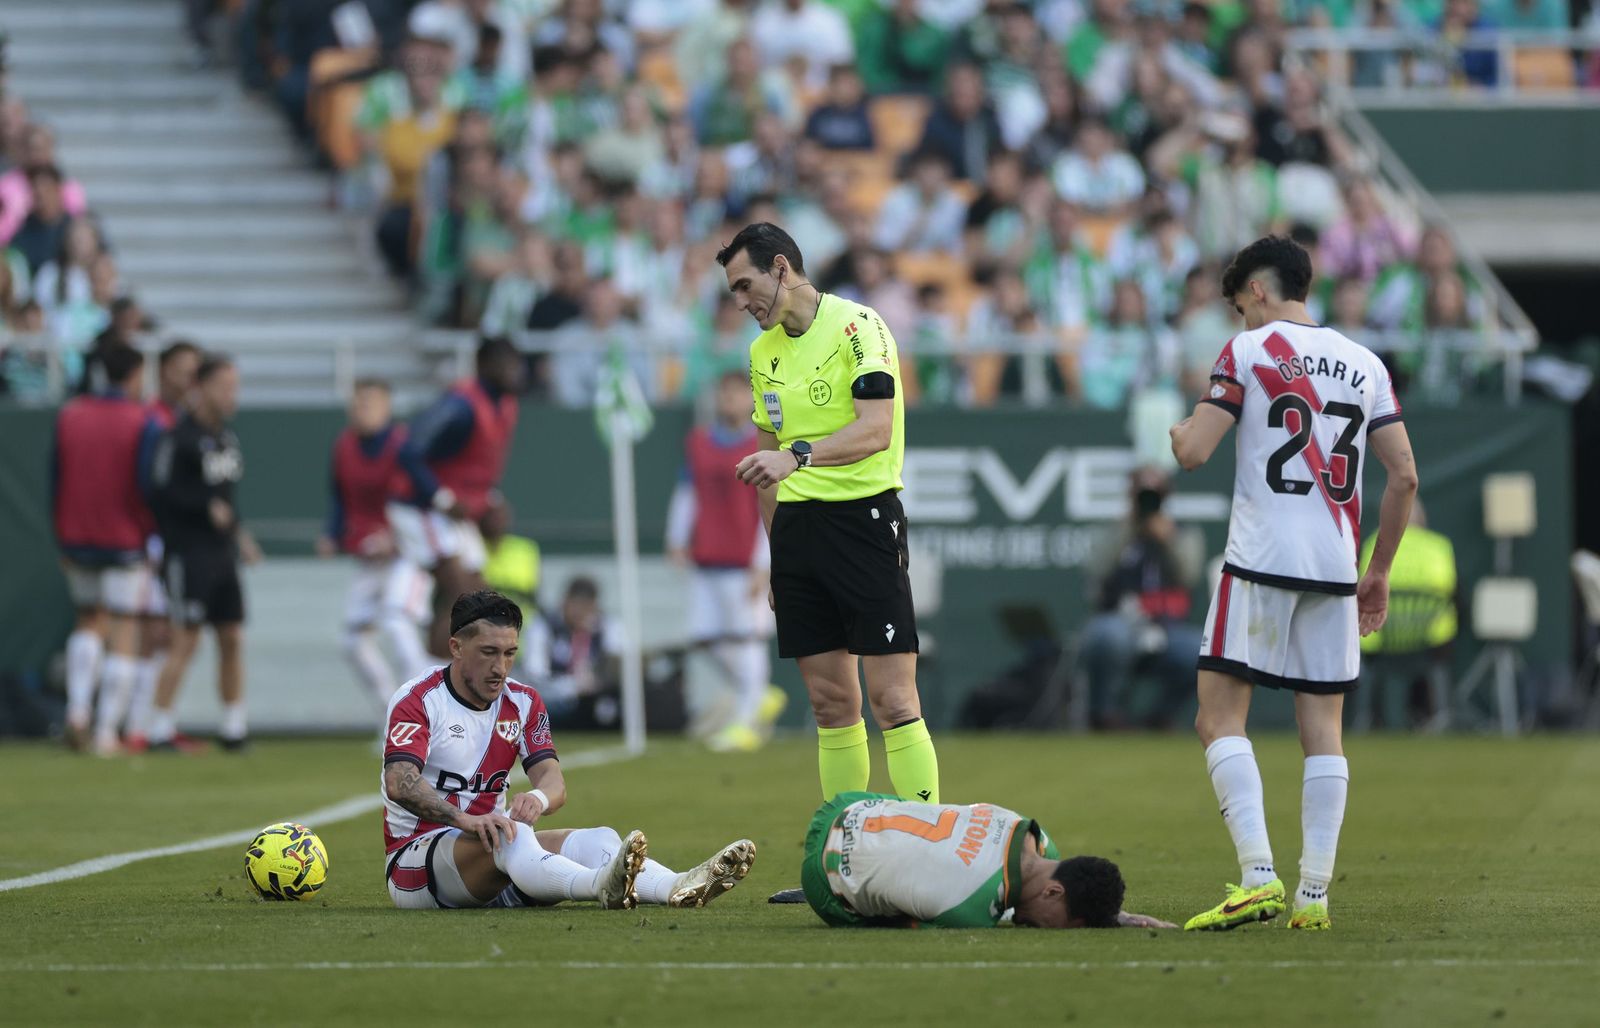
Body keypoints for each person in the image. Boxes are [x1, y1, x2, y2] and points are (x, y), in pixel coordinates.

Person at [1168, 236, 1419, 932]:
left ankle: (1256, 876)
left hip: (1260, 558)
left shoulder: (1248, 352)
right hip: (1336, 569)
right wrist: (1379, 572)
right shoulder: (1366, 364)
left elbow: (1195, 452)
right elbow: (1405, 476)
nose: (1239, 316)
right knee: (1324, 731)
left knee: (1218, 718)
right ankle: (1314, 897)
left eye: (1236, 302)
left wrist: (1178, 430)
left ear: (1256, 289)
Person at [718, 222, 938, 904]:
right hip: (801, 536)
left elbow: (875, 429)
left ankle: (933, 854)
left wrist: (799, 455)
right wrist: (778, 549)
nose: (742, 302)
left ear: (781, 267)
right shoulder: (761, 354)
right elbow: (763, 464)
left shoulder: (858, 326)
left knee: (893, 698)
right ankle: (849, 863)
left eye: (746, 285)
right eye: (732, 292)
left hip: (865, 520)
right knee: (831, 703)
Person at [383, 589, 757, 910]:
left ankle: (677, 886)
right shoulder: (419, 700)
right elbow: (401, 782)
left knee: (599, 839)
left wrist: (539, 800)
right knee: (514, 837)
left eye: (510, 653)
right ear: (456, 648)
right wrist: (467, 820)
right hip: (416, 865)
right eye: (488, 652)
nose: (501, 667)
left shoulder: (523, 701)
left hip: (496, 854)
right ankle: (601, 886)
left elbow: (553, 781)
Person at [800, 792, 1176, 930]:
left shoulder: (1035, 836)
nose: (1051, 932)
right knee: (886, 917)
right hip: (824, 883)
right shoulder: (968, 912)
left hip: (848, 803)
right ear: (1053, 891)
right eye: (1065, 924)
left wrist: (1116, 917)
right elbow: (998, 912)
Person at [146, 354, 262, 752]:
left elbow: (227, 500)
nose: (233, 395)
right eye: (225, 386)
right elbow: (160, 490)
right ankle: (159, 727)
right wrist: (202, 506)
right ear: (202, 388)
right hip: (188, 553)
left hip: (221, 554)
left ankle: (234, 726)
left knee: (231, 637)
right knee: (185, 639)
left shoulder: (226, 439)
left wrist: (241, 538)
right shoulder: (178, 436)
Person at [666, 370, 781, 752]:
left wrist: (763, 562)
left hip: (743, 561)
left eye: (736, 393)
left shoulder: (763, 446)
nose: (729, 400)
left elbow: (771, 505)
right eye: (724, 393)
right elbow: (688, 492)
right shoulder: (698, 443)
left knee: (746, 637)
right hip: (707, 556)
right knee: (706, 636)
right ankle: (759, 694)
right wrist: (677, 537)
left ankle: (747, 720)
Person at [389, 336, 525, 656]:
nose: (515, 372)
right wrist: (441, 499)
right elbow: (409, 452)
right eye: (506, 365)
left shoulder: (505, 406)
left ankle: (442, 679)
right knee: (467, 599)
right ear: (484, 366)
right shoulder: (460, 405)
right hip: (420, 507)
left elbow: (477, 464)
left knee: (476, 596)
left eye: (517, 364)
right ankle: (434, 680)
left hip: (454, 510)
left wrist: (490, 499)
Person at [51, 345, 151, 754]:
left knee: (88, 620)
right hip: (124, 536)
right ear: (132, 376)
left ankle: (77, 712)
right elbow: (145, 483)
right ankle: (107, 731)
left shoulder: (70, 415)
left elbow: (54, 479)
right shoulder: (141, 419)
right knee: (124, 626)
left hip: (76, 534)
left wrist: (62, 530)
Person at [317, 379, 434, 715]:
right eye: (356, 403)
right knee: (352, 640)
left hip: (407, 554)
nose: (361, 409)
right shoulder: (344, 446)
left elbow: (420, 495)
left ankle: (428, 714)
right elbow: (339, 496)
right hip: (369, 557)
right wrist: (332, 533)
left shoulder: (403, 445)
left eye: (369, 402)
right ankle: (396, 717)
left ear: (386, 407)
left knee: (398, 622)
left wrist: (398, 537)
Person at [124, 340, 201, 751]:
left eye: (195, 370)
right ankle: (140, 726)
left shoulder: (182, 420)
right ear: (164, 370)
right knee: (153, 632)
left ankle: (151, 723)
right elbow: (145, 486)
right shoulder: (153, 420)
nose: (188, 378)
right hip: (154, 540)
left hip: (175, 542)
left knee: (169, 635)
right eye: (182, 369)